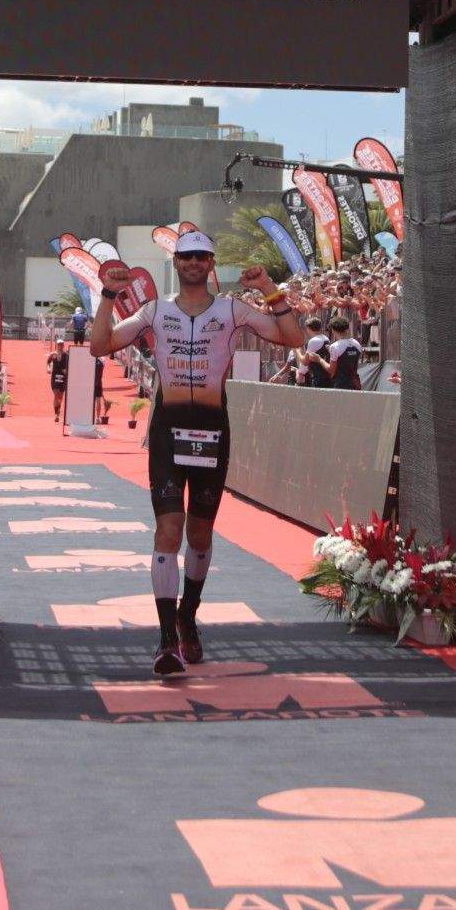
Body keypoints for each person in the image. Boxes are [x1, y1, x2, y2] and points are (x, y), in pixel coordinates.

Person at [90, 230, 308, 677]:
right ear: (177, 263)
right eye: (185, 256)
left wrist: (269, 289)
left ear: (211, 264)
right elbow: (100, 346)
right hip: (169, 432)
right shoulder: (156, 311)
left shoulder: (232, 310)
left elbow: (292, 338)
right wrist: (109, 295)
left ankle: (189, 616)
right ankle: (167, 636)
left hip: (212, 430)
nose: (192, 263)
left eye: (200, 257)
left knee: (201, 537)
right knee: (168, 530)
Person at [46, 332, 69, 423]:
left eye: (61, 345)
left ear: (63, 346)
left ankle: (58, 412)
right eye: (59, 344)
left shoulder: (66, 355)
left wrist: (66, 371)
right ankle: (56, 414)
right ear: (56, 345)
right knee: (56, 394)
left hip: (63, 378)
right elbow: (48, 362)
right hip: (55, 376)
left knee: (60, 397)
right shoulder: (53, 354)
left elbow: (70, 364)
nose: (60, 346)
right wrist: (48, 368)